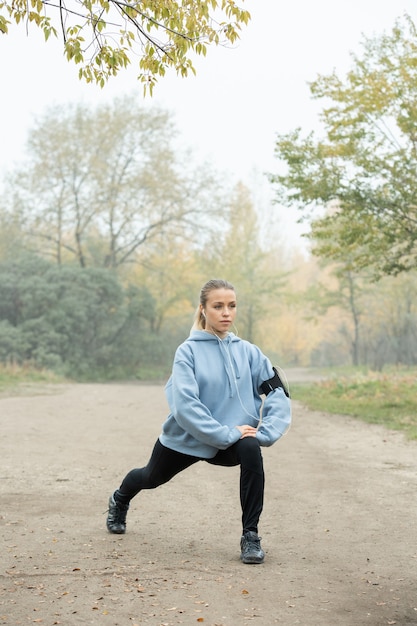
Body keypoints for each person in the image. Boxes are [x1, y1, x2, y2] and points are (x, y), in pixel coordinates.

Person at [106, 278, 291, 564]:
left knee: (251, 448)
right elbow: (185, 406)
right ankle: (120, 498)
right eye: (218, 306)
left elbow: (277, 391)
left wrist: (265, 432)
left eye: (232, 306)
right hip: (188, 438)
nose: (226, 313)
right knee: (150, 477)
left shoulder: (250, 352)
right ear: (203, 309)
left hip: (233, 439)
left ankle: (250, 536)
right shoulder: (187, 352)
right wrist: (223, 433)